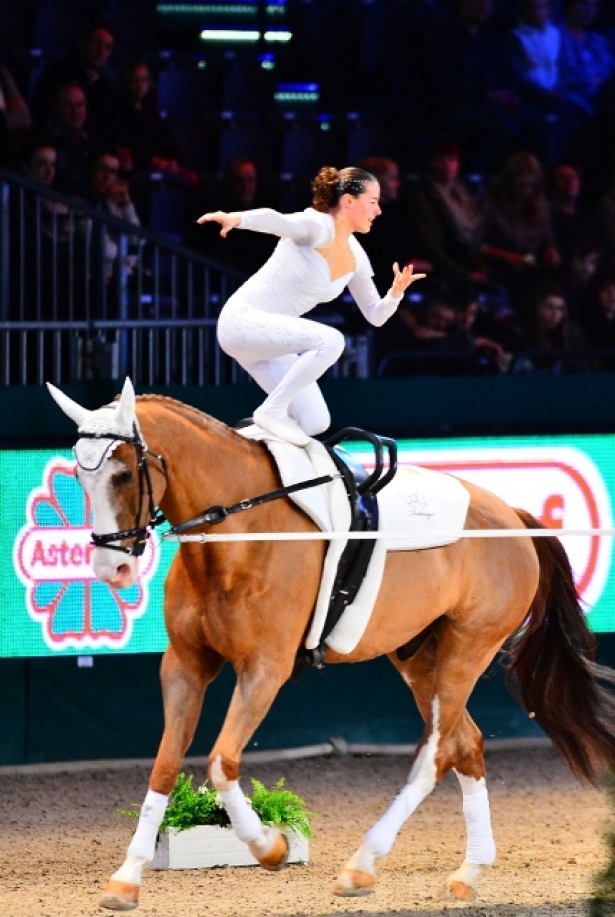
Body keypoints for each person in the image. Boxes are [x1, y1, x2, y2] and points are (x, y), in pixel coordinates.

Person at [196, 165, 426, 446]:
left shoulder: (357, 255)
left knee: (315, 421)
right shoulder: (318, 226)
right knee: (331, 341)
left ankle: (224, 445)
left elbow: (375, 316)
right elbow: (276, 220)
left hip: (269, 341)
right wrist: (236, 218)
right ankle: (271, 410)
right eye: (373, 202)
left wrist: (395, 294)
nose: (378, 211)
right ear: (348, 202)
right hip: (242, 321)